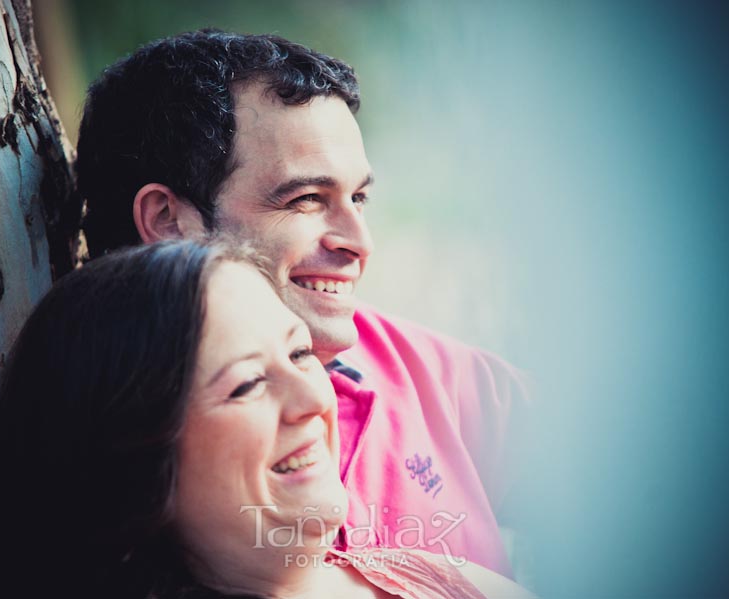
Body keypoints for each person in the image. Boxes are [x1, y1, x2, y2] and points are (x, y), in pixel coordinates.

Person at [76, 29, 529, 577]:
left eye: (358, 197)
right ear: (168, 221)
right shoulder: (84, 451)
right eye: (307, 200)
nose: (359, 243)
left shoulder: (424, 371)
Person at [0, 240, 532, 599]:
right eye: (247, 385)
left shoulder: (418, 573)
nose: (314, 399)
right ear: (137, 467)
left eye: (298, 353)